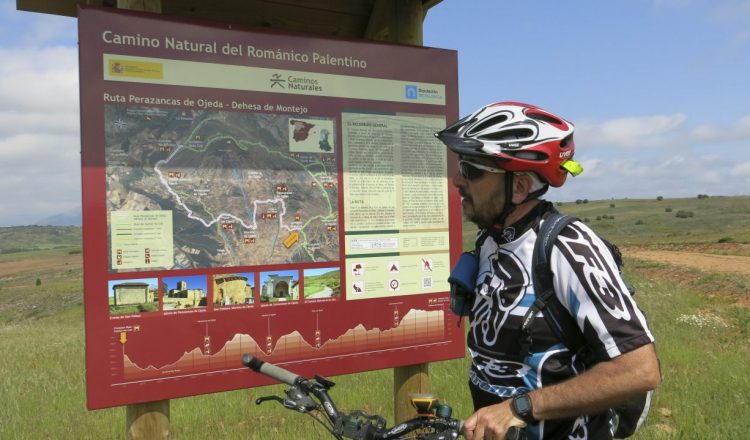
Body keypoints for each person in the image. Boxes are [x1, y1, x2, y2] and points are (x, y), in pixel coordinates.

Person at [435, 102, 661, 440]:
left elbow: (639, 370)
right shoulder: (489, 242)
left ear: (520, 186)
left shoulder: (567, 247)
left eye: (472, 170)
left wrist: (518, 408)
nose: (458, 180)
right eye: (460, 167)